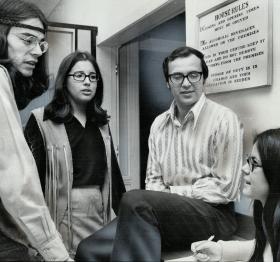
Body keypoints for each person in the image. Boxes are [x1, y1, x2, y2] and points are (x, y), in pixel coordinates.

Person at [75, 46, 243, 261]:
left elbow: (226, 188)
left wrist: (172, 193)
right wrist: (166, 198)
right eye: (177, 76)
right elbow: (153, 182)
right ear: (167, 82)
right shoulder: (159, 124)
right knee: (87, 250)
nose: (186, 82)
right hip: (165, 215)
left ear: (204, 78)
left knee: (134, 200)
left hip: (215, 215)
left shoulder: (224, 119)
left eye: (193, 75)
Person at [0, 0, 72, 260]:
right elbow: (12, 172)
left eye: (40, 43)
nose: (37, 51)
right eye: (27, 40)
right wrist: (53, 249)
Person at [24, 51, 126, 256]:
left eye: (93, 77)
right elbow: (29, 183)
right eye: (79, 76)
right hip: (60, 214)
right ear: (65, 80)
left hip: (97, 212)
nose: (87, 82)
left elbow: (114, 176)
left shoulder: (101, 124)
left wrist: (129, 219)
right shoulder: (42, 120)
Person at [191, 128, 280, 262]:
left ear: (279, 173)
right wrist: (220, 250)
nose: (244, 168)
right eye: (248, 160)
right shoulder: (276, 221)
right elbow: (261, 246)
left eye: (254, 163)